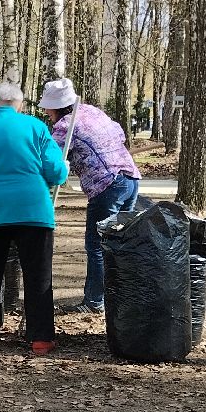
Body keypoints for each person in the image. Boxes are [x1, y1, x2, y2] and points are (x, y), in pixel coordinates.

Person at [0, 82, 69, 354]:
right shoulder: (36, 128)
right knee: (38, 275)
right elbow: (55, 173)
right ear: (20, 105)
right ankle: (41, 338)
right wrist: (63, 169)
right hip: (33, 210)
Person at [39, 77, 142, 315]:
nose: (46, 113)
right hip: (129, 177)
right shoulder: (93, 112)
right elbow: (119, 134)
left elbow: (52, 161)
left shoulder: (65, 125)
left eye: (47, 108)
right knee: (119, 242)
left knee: (97, 244)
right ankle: (120, 297)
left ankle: (94, 301)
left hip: (107, 185)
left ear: (56, 107)